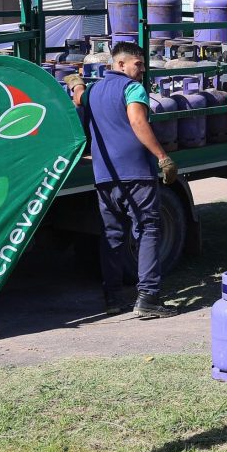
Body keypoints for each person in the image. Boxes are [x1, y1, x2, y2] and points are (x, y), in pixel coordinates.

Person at [65, 42, 179, 319]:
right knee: (149, 229)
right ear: (119, 65)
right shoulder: (132, 88)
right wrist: (163, 157)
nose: (141, 70)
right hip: (136, 172)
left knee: (113, 234)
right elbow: (139, 122)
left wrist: (74, 83)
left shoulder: (94, 90)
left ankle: (113, 298)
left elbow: (79, 96)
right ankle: (148, 298)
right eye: (137, 64)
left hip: (105, 176)